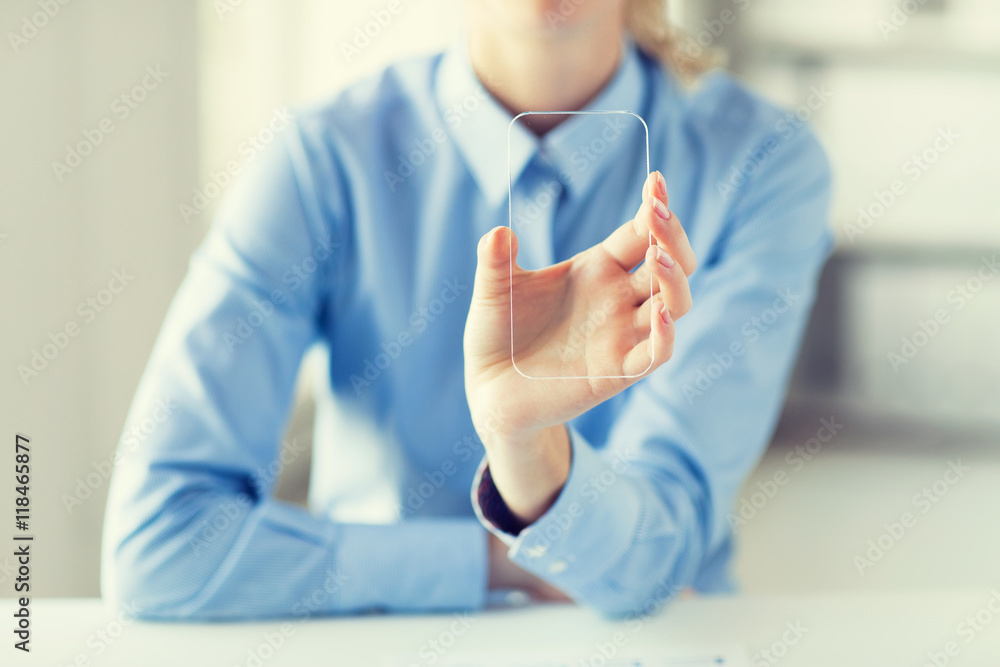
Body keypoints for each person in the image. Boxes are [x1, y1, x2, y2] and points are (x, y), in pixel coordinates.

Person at [102, 0, 832, 619]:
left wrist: (526, 443)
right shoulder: (320, 159)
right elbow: (158, 546)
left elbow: (654, 555)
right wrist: (497, 561)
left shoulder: (761, 162)